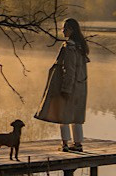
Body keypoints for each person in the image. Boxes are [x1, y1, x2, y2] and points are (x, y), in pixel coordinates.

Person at [35, 17, 90, 151]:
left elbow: (69, 70)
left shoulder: (70, 47)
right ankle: (78, 144)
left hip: (69, 86)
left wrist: (66, 88)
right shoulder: (80, 47)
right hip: (80, 87)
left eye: (65, 28)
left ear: (71, 30)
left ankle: (65, 144)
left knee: (63, 115)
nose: (63, 30)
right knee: (76, 116)